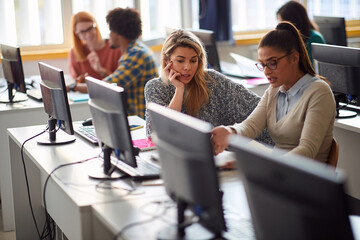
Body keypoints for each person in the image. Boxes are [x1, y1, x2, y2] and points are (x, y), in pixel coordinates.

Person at [211, 21, 336, 163]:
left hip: (306, 180)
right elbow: (250, 126)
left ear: (294, 57)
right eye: (263, 64)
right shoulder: (274, 90)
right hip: (277, 174)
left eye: (272, 63)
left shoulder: (319, 92)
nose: (266, 71)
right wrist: (230, 132)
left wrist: (263, 165)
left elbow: (307, 151)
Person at [144, 29, 273, 146]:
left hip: (217, 159)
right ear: (167, 61)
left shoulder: (213, 81)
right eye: (180, 60)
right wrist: (179, 90)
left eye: (193, 60)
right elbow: (155, 133)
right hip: (176, 158)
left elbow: (258, 110)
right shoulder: (155, 87)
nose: (187, 67)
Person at [68, 11, 122, 92]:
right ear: (76, 33)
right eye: (82, 32)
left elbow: (120, 82)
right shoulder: (74, 52)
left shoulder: (115, 48)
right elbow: (76, 81)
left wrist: (101, 70)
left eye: (90, 28)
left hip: (111, 96)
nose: (88, 34)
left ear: (95, 26)